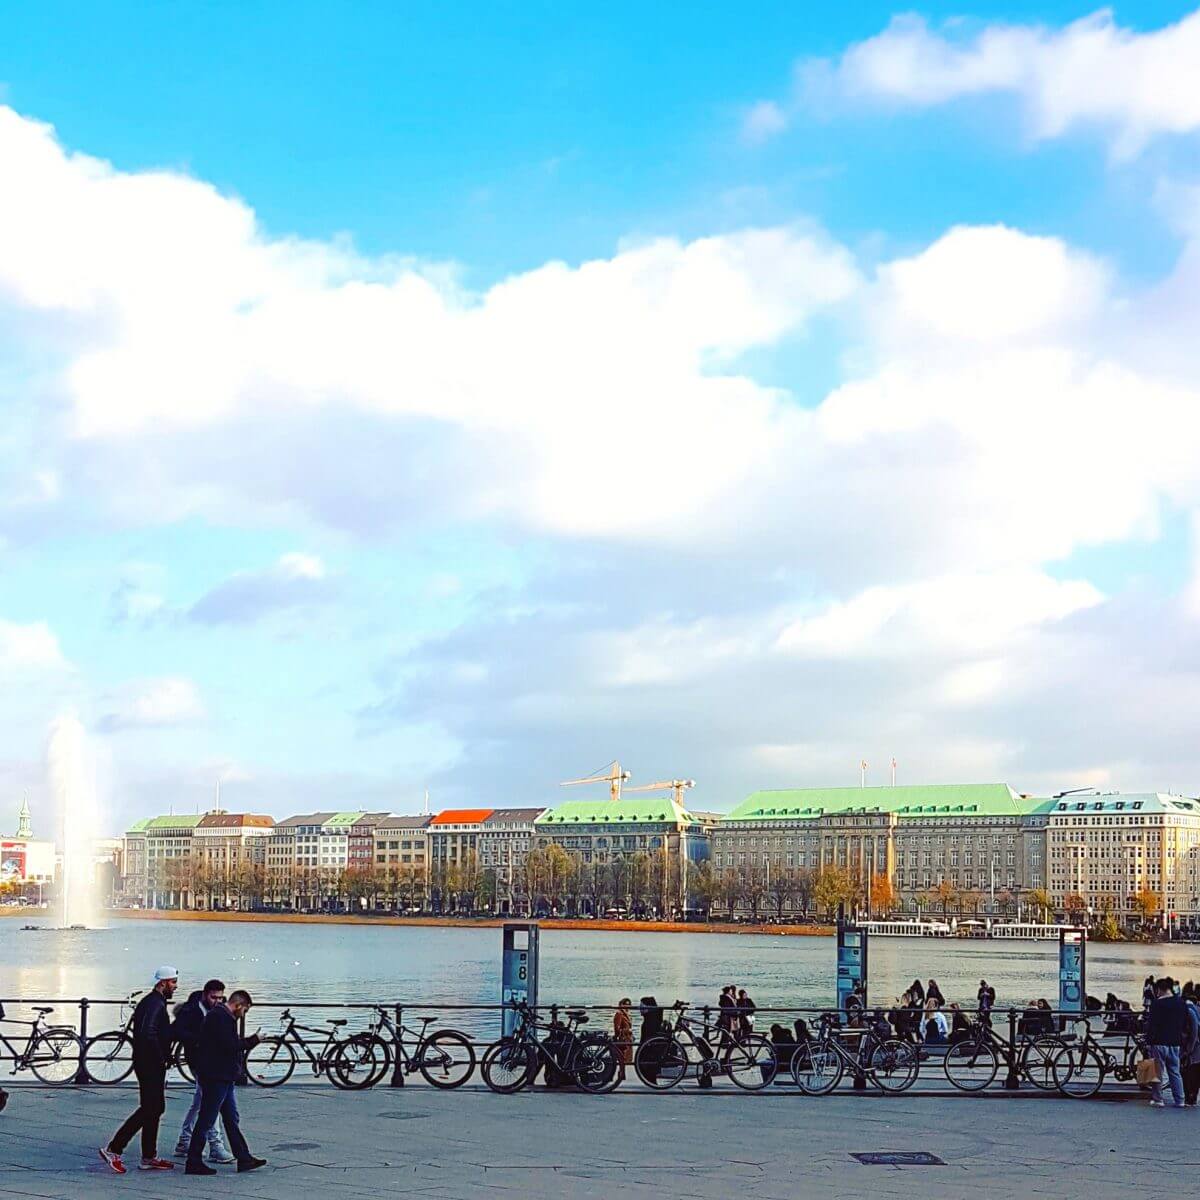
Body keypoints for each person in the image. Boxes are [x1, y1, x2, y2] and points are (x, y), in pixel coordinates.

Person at [100, 966, 180, 1174]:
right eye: (172, 982)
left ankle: (148, 1156)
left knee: (155, 1108)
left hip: (148, 1062)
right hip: (150, 1063)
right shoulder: (155, 1003)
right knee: (150, 1108)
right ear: (162, 983)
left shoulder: (153, 1001)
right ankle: (115, 1148)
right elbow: (149, 1033)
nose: (175, 986)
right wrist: (162, 1057)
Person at [185, 989, 265, 1175]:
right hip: (216, 1076)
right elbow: (230, 1046)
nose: (243, 1014)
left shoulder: (221, 1016)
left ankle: (243, 1158)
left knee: (230, 1117)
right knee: (207, 1117)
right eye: (244, 1010)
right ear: (238, 1005)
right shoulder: (221, 1018)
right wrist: (254, 1040)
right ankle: (193, 1160)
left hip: (223, 1076)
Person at [172, 979, 234, 1162]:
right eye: (214, 997)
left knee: (201, 1102)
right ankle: (216, 1146)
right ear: (206, 994)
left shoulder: (219, 1010)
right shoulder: (191, 1010)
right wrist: (200, 1039)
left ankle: (184, 1141)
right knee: (210, 1103)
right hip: (199, 1062)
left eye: (221, 998)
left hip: (212, 1062)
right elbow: (178, 1031)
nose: (217, 1001)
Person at [1145, 976, 1188, 1109]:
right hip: (1175, 1042)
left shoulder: (1157, 1004)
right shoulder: (1181, 1003)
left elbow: (1152, 1025)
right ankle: (1180, 1100)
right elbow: (1184, 1023)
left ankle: (1158, 1099)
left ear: (1159, 990)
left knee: (1156, 1072)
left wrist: (1148, 1041)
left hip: (1159, 1042)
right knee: (1175, 1072)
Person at [637, 997, 665, 1085]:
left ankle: (652, 1082)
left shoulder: (649, 1021)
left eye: (642, 1007)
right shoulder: (654, 1018)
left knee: (647, 1067)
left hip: (649, 1051)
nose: (639, 1009)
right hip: (651, 1050)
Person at [1182, 986, 1200, 1108]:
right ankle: (1192, 1096)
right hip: (1195, 1048)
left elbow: (1193, 1032)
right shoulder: (1195, 1009)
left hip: (1192, 1048)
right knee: (1195, 1072)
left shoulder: (1189, 1011)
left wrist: (1188, 1050)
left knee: (1188, 1072)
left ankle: (1190, 1096)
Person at [612, 998, 634, 1067]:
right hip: (623, 1039)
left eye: (629, 1005)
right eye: (625, 1004)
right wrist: (627, 1031)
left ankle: (622, 1075)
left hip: (628, 1039)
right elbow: (617, 1029)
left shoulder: (627, 1014)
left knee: (626, 1061)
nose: (627, 1006)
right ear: (621, 1004)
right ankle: (621, 1075)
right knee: (622, 1059)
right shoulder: (619, 1014)